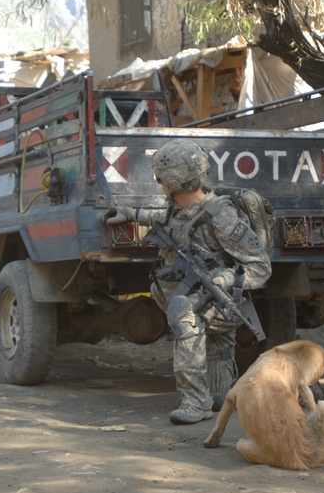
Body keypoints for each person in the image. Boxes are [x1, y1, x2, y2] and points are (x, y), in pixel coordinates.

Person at [103, 138, 272, 425]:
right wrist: (131, 214)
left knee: (184, 311)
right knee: (221, 391)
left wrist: (222, 278)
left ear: (174, 181)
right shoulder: (180, 207)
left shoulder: (221, 217)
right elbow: (167, 220)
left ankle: (195, 403)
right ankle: (216, 395)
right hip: (207, 302)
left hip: (222, 303)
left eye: (161, 179)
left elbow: (260, 267)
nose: (159, 184)